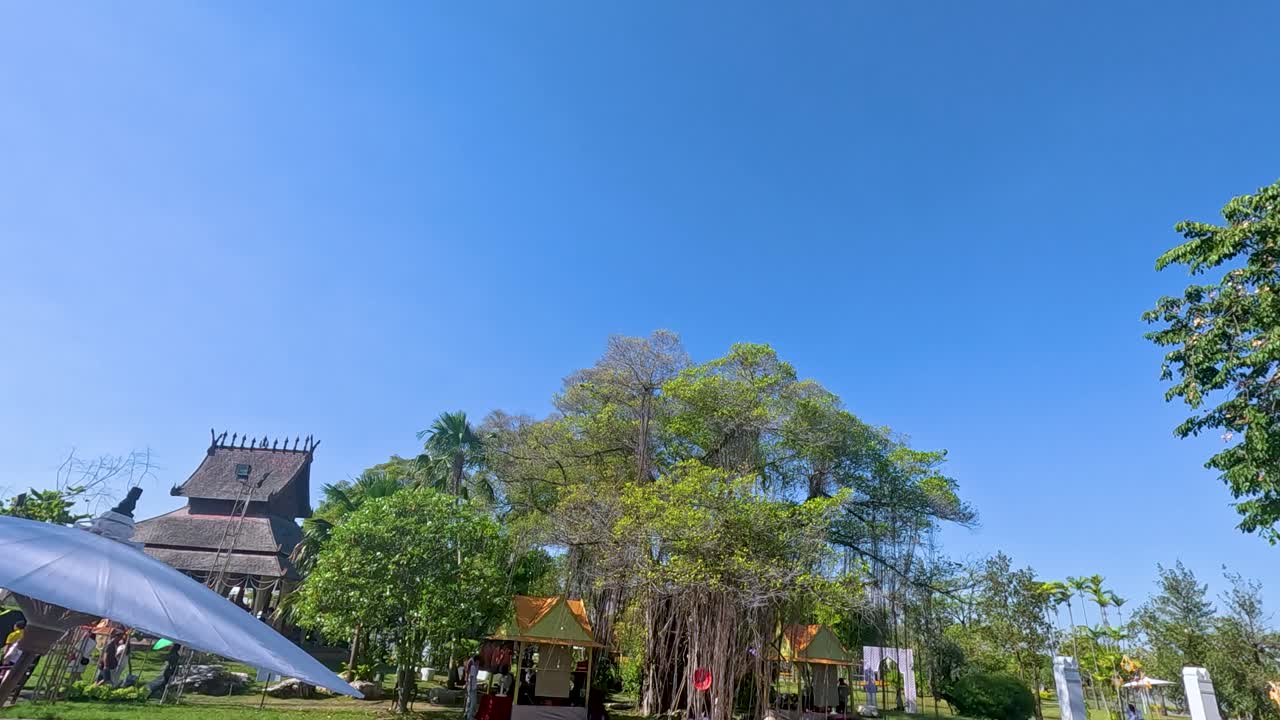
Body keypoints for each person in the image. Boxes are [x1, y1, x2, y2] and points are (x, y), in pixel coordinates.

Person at [464, 653, 481, 720]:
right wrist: (471, 687)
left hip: (470, 686)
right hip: (472, 686)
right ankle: (470, 716)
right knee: (473, 702)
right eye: (479, 661)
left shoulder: (473, 666)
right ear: (477, 660)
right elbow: (471, 678)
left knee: (469, 701)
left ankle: (466, 714)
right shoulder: (473, 667)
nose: (479, 663)